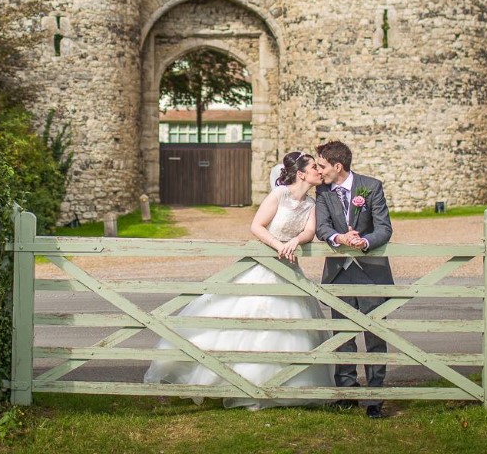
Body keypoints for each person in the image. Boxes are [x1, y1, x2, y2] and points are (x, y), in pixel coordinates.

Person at [144, 151, 334, 409]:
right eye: (314, 167)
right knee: (248, 318)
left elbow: (310, 231)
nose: (319, 171)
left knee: (290, 325)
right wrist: (278, 245)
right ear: (301, 173)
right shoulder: (279, 195)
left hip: (289, 267)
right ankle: (230, 378)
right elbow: (257, 226)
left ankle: (282, 385)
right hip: (266, 264)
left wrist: (295, 241)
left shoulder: (311, 204)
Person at [314, 140, 394, 418]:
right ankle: (346, 392)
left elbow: (385, 228)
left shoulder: (371, 186)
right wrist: (340, 238)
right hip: (338, 273)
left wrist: (364, 241)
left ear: (338, 166)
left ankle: (374, 398)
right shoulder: (323, 191)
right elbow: (322, 227)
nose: (318, 169)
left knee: (374, 336)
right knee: (342, 335)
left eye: (322, 165)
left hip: (371, 272)